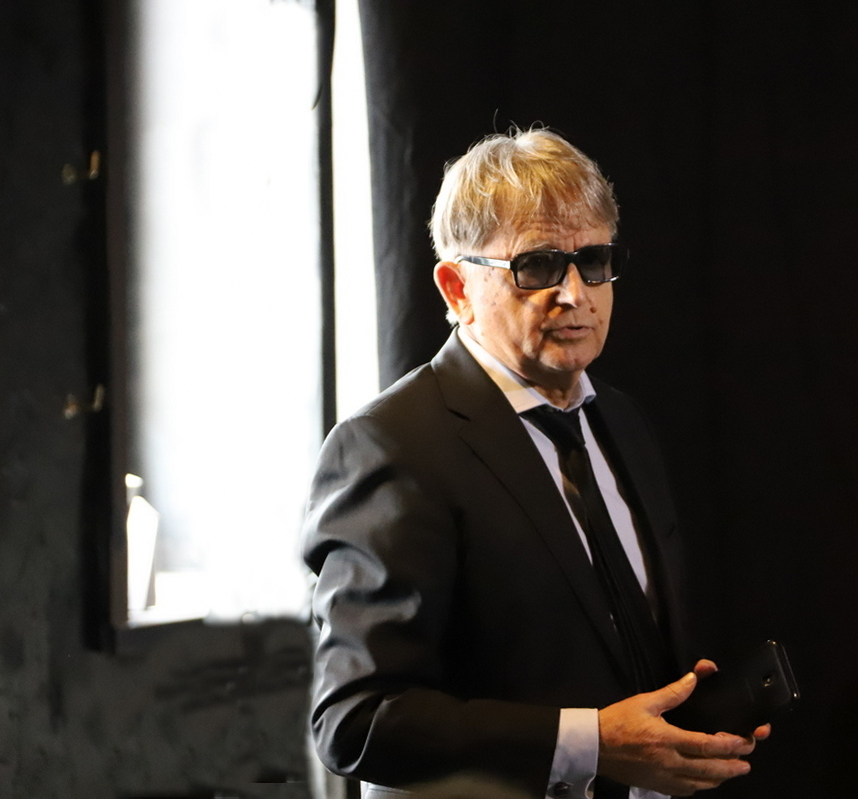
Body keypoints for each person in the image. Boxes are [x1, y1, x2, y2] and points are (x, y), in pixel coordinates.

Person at [303, 128, 769, 799]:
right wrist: (589, 744)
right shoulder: (388, 445)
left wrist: (685, 720)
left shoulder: (621, 419)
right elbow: (357, 720)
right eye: (538, 266)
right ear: (456, 288)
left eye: (593, 261)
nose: (575, 293)